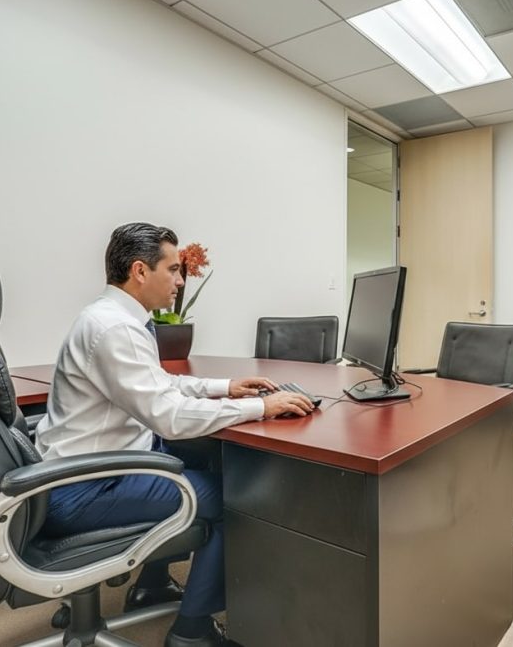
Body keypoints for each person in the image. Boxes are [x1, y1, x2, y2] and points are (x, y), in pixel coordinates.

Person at [34, 222, 314, 647]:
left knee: (199, 460)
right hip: (83, 489)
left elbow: (159, 384)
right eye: (173, 270)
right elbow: (168, 416)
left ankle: (152, 584)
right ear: (140, 271)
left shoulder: (113, 319)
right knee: (236, 501)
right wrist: (260, 407)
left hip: (83, 471)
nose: (180, 281)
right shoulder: (115, 329)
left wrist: (226, 388)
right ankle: (192, 631)